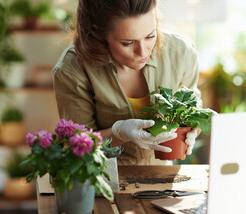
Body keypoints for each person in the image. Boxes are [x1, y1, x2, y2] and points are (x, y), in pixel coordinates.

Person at [53, 0, 201, 165]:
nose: (143, 52)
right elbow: (77, 145)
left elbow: (193, 107)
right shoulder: (73, 69)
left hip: (163, 179)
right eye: (128, 43)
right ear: (98, 31)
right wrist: (118, 133)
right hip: (106, 179)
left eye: (150, 36)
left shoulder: (181, 52)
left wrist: (193, 128)